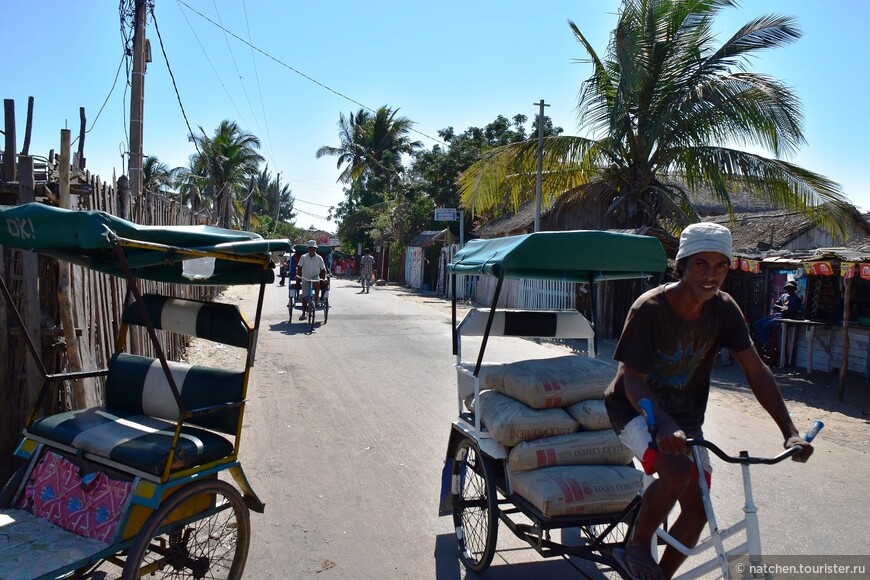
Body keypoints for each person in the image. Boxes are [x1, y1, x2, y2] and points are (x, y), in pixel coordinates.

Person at [603, 222, 813, 580]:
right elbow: (633, 380)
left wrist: (790, 431)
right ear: (681, 264)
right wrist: (661, 422)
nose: (710, 275)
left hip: (685, 419)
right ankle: (635, 546)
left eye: (719, 266)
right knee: (678, 471)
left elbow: (756, 370)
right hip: (634, 409)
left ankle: (658, 576)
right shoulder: (649, 309)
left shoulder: (724, 309)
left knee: (698, 509)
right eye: (701, 263)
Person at [751, 281, 803, 346]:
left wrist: (783, 308)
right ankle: (765, 340)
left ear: (794, 288)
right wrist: (783, 308)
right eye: (787, 287)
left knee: (765, 326)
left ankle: (767, 342)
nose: (788, 289)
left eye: (790, 287)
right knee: (756, 324)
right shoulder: (783, 296)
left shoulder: (796, 299)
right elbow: (775, 306)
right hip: (776, 316)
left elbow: (788, 311)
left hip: (785, 319)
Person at [296, 240, 327, 320]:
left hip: (315, 276)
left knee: (317, 283)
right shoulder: (303, 257)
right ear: (308, 249)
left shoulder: (319, 258)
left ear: (315, 249)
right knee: (304, 296)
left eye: (313, 248)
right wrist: (297, 275)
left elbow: (323, 269)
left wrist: (325, 278)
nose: (312, 250)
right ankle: (303, 313)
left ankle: (316, 301)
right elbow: (299, 267)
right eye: (310, 248)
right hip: (305, 277)